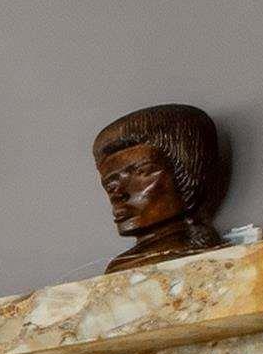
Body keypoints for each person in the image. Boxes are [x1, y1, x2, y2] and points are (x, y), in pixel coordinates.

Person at [92, 103, 228, 273]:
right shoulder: (120, 267)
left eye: (142, 172)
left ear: (187, 174)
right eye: (110, 184)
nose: (118, 194)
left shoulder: (197, 260)